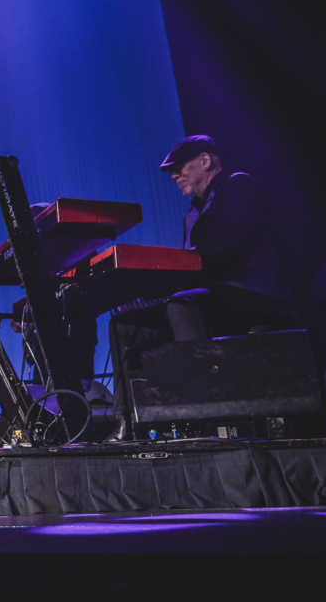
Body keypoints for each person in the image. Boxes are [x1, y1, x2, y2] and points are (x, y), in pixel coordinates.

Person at [107, 135, 293, 430]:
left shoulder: (239, 187)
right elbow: (190, 271)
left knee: (183, 304)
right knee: (124, 326)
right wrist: (145, 289)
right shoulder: (193, 213)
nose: (174, 175)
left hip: (251, 293)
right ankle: (127, 421)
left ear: (205, 161)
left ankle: (205, 408)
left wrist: (173, 267)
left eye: (179, 167)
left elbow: (229, 246)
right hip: (215, 296)